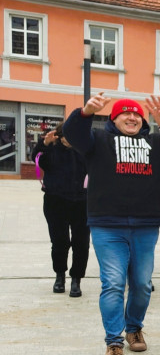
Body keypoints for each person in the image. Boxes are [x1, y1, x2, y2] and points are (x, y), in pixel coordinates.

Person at [63, 93, 160, 355]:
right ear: (114, 119)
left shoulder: (156, 142)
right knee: (112, 283)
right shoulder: (98, 140)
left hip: (145, 225)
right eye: (126, 113)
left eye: (137, 114)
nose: (132, 117)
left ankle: (134, 327)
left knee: (141, 285)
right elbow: (74, 134)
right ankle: (114, 342)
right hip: (107, 225)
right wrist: (86, 113)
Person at [34, 126, 89, 297]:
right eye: (66, 136)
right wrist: (44, 144)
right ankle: (60, 276)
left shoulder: (84, 150)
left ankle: (76, 279)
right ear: (60, 137)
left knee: (81, 243)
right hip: (55, 201)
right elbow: (36, 159)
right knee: (60, 242)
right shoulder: (52, 150)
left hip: (82, 203)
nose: (70, 139)